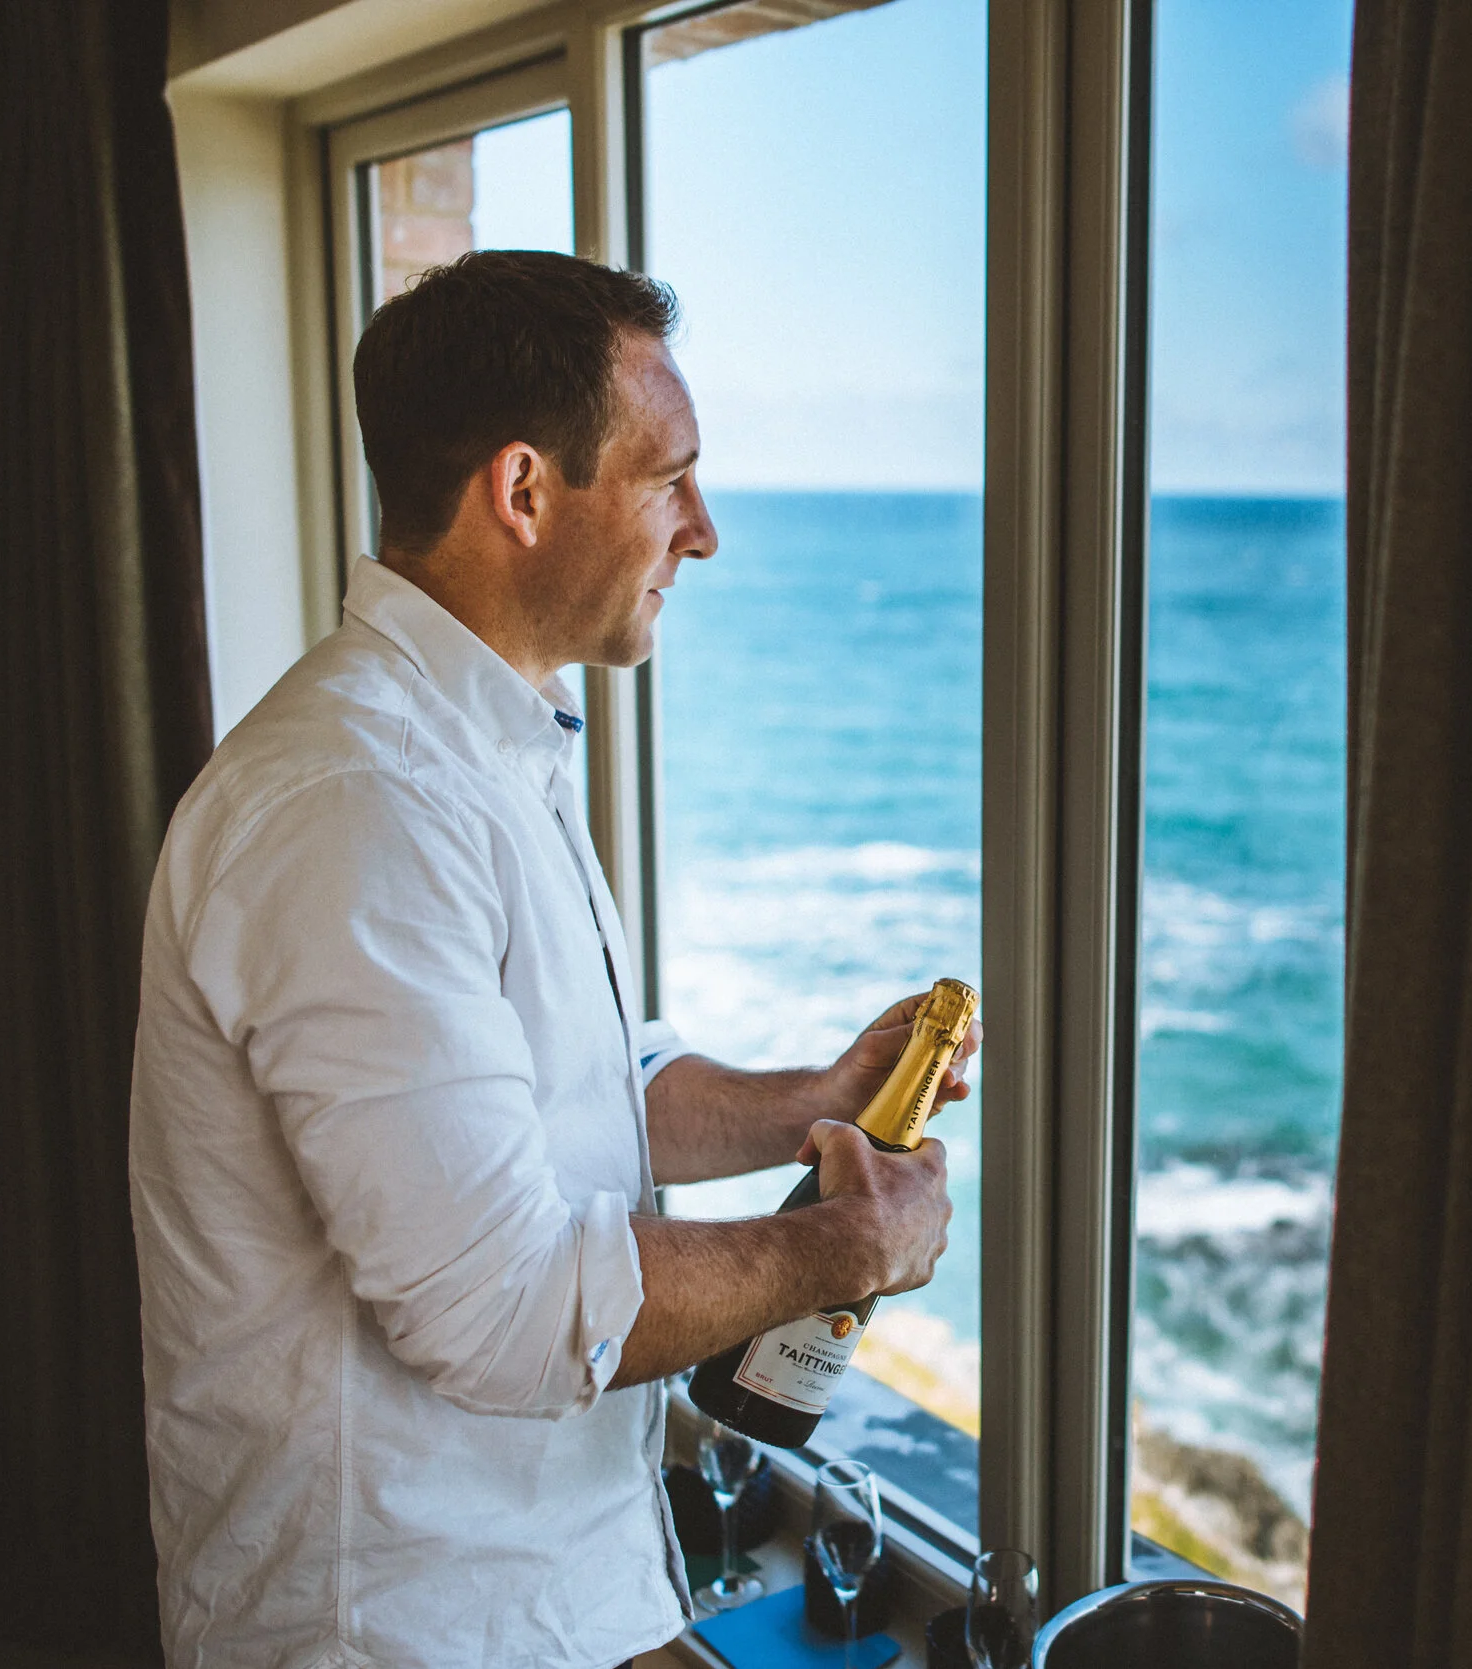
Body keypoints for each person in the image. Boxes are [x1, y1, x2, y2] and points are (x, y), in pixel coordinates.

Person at [127, 249, 968, 1669]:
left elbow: (567, 1089)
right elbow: (501, 1306)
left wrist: (807, 1098)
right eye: (667, 478)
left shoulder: (477, 745)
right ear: (523, 492)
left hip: (548, 1590)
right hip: (400, 1621)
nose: (703, 531)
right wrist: (844, 1247)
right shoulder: (359, 807)